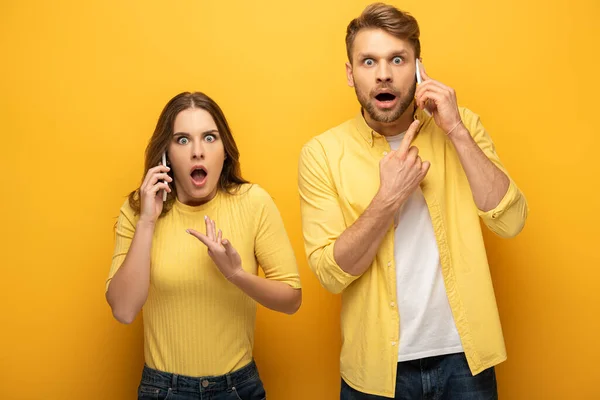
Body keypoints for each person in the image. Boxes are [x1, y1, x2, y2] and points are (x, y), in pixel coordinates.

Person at [297, 3, 528, 399]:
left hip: (465, 360)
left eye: (397, 59)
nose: (383, 73)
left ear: (419, 68)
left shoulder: (462, 126)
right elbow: (331, 274)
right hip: (375, 371)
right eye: (368, 61)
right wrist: (388, 199)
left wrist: (453, 128)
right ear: (351, 74)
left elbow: (510, 221)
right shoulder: (321, 153)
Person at [106, 91, 302, 400]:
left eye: (209, 138)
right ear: (166, 154)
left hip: (238, 388)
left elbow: (291, 300)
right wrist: (147, 221)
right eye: (183, 140)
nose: (198, 151)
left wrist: (236, 274)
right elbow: (124, 310)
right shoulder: (137, 210)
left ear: (224, 150)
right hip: (163, 390)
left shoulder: (253, 203)